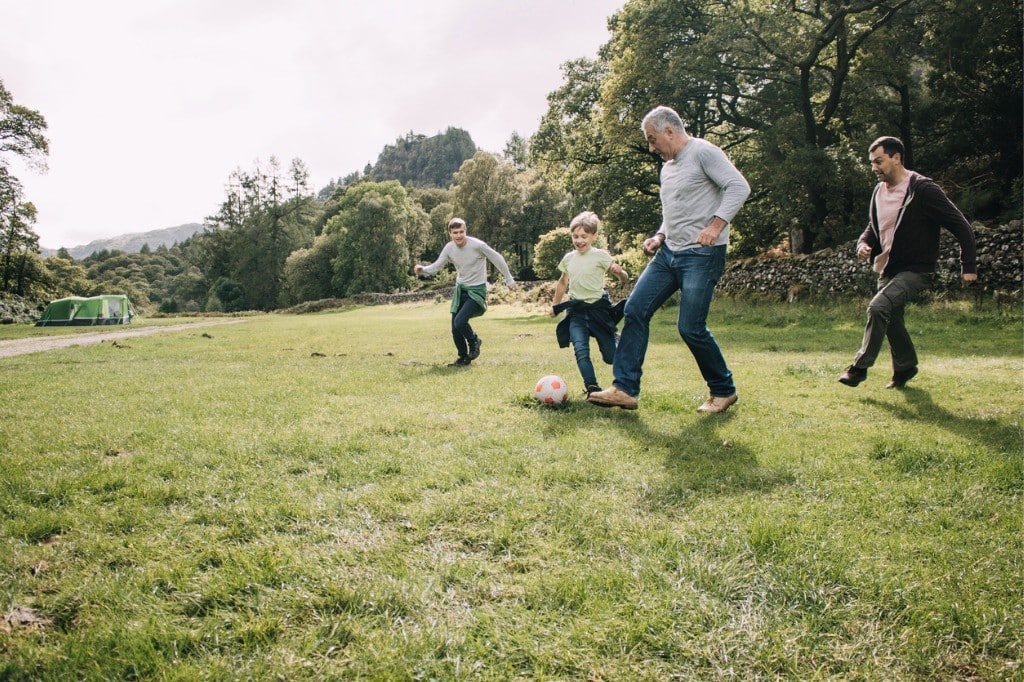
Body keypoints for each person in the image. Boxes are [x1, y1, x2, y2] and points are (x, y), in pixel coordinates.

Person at [588, 105, 750, 413]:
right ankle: (625, 389)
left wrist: (716, 226)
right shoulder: (668, 167)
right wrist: (660, 235)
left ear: (669, 132)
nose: (651, 147)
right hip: (669, 253)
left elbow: (739, 186)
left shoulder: (703, 152)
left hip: (702, 256)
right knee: (635, 309)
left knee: (690, 327)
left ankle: (723, 390)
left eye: (652, 139)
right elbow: (675, 209)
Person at [838, 136, 977, 389]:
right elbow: (873, 225)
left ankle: (858, 369)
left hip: (917, 269)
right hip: (887, 267)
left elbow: (961, 225)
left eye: (878, 161)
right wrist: (863, 243)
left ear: (896, 157)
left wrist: (968, 266)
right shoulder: (879, 191)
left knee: (879, 307)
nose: (874, 168)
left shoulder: (922, 189)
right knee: (891, 319)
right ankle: (905, 367)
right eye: (871, 163)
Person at [415, 217, 517, 366]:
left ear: (465, 231)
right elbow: (436, 266)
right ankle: (463, 358)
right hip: (461, 290)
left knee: (460, 321)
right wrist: (422, 270)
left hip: (477, 290)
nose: (458, 236)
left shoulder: (478, 245)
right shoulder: (449, 248)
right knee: (455, 328)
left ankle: (474, 340)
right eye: (455, 232)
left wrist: (509, 279)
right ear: (450, 233)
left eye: (461, 232)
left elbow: (498, 259)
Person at [549, 211, 629, 396]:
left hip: (598, 311)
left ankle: (616, 342)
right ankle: (592, 387)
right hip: (576, 311)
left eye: (584, 236)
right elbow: (562, 282)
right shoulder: (568, 258)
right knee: (580, 350)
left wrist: (619, 272)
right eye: (575, 236)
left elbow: (624, 278)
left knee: (610, 358)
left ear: (594, 236)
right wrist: (555, 305)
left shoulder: (600, 256)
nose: (579, 240)